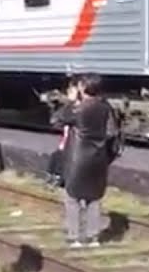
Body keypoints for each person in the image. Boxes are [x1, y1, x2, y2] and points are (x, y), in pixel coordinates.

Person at [51, 73, 124, 248]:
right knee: (94, 197)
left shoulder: (79, 109)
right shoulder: (106, 107)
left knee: (72, 197)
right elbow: (112, 132)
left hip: (77, 158)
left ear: (83, 88)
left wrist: (70, 102)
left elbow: (55, 121)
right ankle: (93, 237)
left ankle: (74, 237)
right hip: (98, 158)